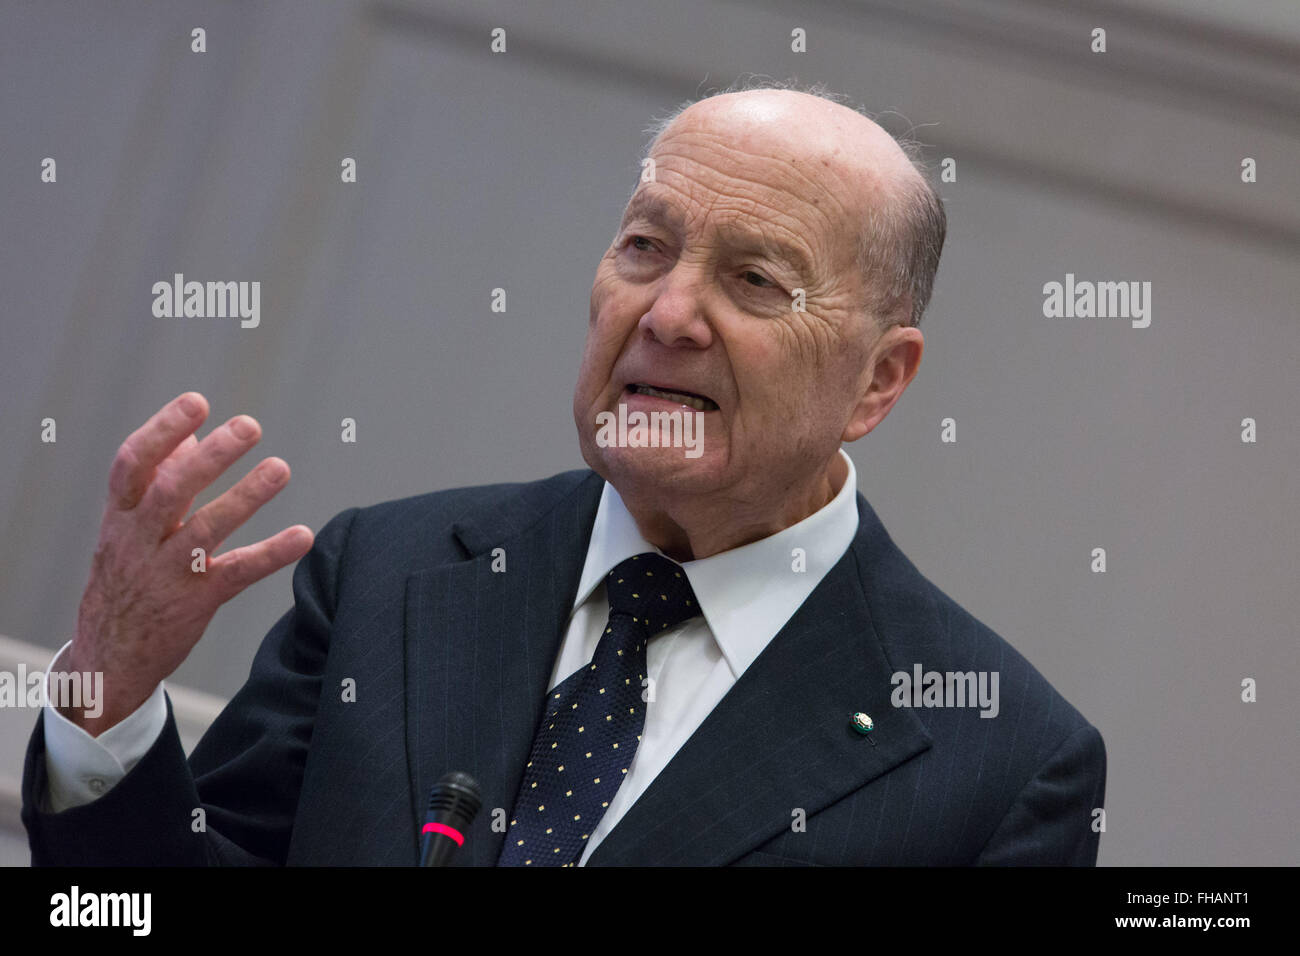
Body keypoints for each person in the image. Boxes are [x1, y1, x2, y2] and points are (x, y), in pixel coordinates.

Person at [22, 85, 1105, 866]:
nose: (668, 313)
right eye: (644, 246)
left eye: (754, 279)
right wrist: (106, 695)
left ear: (877, 381)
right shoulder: (384, 574)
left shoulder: (1000, 763)